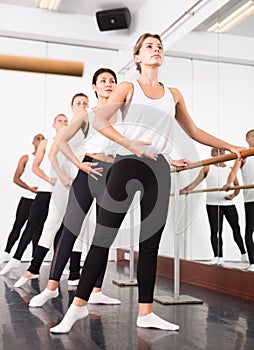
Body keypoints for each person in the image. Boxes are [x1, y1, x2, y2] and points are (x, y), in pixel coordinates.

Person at [49, 33, 244, 334]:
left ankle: (146, 312)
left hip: (159, 169)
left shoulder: (173, 94)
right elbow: (102, 121)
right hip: (127, 164)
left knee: (149, 244)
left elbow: (193, 131)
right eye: (149, 47)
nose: (156, 50)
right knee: (103, 238)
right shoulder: (128, 87)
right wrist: (133, 145)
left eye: (159, 47)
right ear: (137, 57)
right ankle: (78, 306)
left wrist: (232, 147)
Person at [28, 68, 121, 308]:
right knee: (70, 229)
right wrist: (79, 163)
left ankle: (97, 290)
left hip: (113, 173)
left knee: (104, 234)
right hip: (89, 170)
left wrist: (168, 160)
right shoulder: (87, 114)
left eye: (112, 81)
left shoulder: (123, 114)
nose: (108, 84)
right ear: (94, 86)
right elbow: (61, 142)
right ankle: (51, 288)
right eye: (103, 81)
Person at [14, 93, 89, 288]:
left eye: (85, 103)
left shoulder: (91, 127)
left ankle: (74, 274)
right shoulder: (67, 128)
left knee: (78, 230)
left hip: (82, 183)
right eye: (78, 103)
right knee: (51, 224)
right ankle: (33, 268)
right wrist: (62, 178)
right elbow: (53, 155)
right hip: (64, 185)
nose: (82, 105)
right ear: (72, 106)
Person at [0, 114, 68, 275]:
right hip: (45, 190)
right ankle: (15, 259)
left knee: (58, 229)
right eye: (60, 120)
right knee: (31, 225)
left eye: (66, 121)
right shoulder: (46, 142)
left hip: (61, 192)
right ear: (54, 124)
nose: (64, 123)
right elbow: (35, 167)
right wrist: (50, 180)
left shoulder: (69, 143)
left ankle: (58, 265)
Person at [180, 147, 248, 265]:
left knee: (236, 229)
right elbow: (196, 182)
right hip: (212, 204)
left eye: (221, 151)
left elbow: (237, 187)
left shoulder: (230, 169)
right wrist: (184, 190)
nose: (219, 153)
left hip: (228, 204)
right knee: (216, 231)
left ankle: (244, 254)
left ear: (225, 153)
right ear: (212, 153)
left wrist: (233, 195)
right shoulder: (208, 167)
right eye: (216, 151)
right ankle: (218, 256)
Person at [0, 134, 44, 264]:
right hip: (27, 198)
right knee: (18, 225)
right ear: (33, 142)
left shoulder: (47, 159)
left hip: (41, 199)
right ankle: (6, 253)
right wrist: (30, 188)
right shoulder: (26, 158)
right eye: (38, 138)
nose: (41, 141)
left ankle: (34, 258)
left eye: (43, 139)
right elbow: (16, 178)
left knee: (38, 229)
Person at [224, 129, 254, 271]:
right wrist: (229, 183)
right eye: (253, 136)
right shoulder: (244, 156)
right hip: (250, 199)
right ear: (247, 139)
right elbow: (234, 171)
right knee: (249, 231)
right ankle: (252, 262)